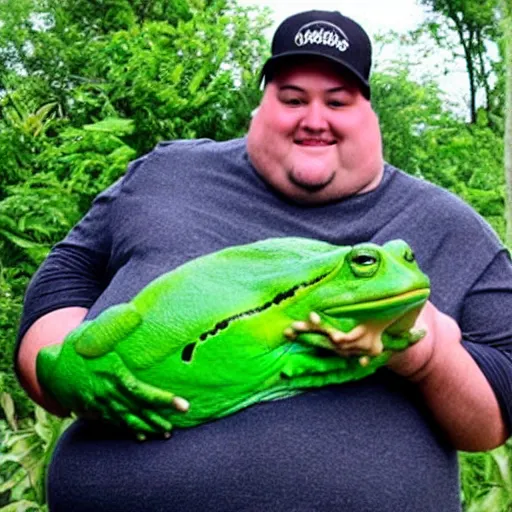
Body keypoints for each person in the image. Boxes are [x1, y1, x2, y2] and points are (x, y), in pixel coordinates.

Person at [15, 9, 512, 512]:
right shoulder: (166, 173)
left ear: (369, 111)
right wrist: (66, 373)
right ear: (262, 103)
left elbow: (496, 410)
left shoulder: (448, 223)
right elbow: (64, 277)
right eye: (292, 98)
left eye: (337, 101)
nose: (314, 120)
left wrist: (422, 354)